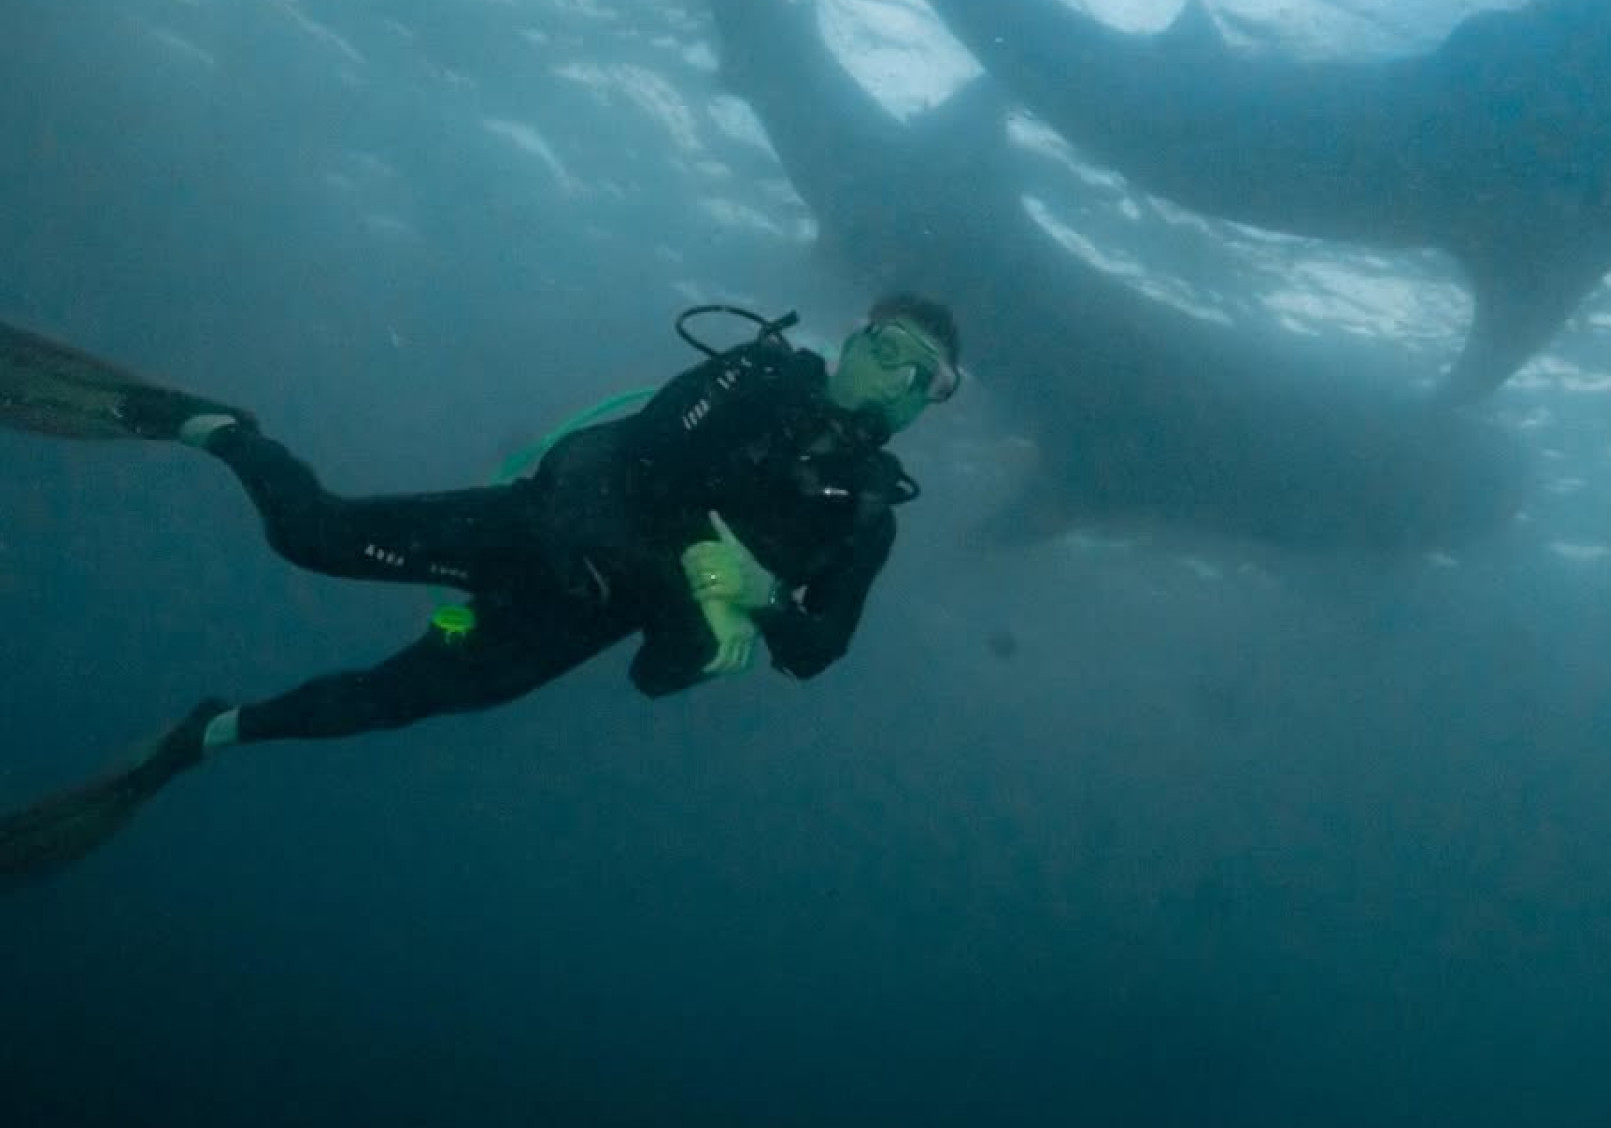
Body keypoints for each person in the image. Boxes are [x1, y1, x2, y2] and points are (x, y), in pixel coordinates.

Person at [0, 296, 960, 879]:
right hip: (531, 537)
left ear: (929, 405)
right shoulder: (756, 375)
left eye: (928, 377)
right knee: (312, 534)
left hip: (567, 623)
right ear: (848, 343)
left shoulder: (865, 514)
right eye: (888, 346)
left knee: (391, 703)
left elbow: (819, 650)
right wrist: (700, 586)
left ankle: (203, 735)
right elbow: (630, 459)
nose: (898, 378)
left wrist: (757, 595)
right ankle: (216, 429)